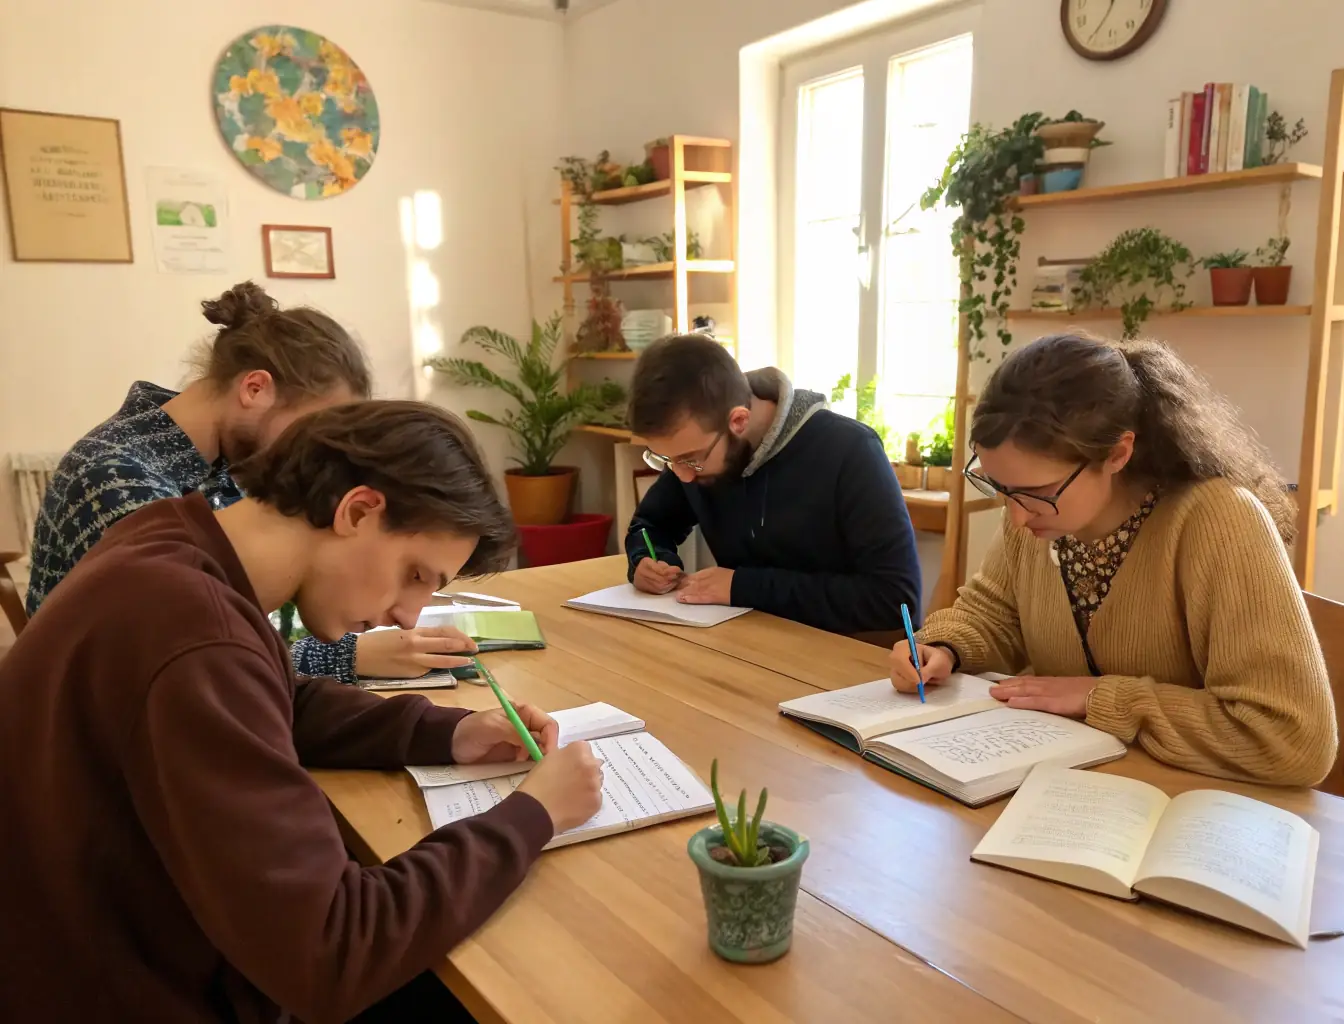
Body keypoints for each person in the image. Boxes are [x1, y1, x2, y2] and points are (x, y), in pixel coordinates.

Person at [0, 400, 606, 1023]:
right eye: (415, 574)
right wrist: (534, 816)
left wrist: (449, 731)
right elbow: (332, 952)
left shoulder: (174, 543)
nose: (410, 614)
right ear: (358, 510)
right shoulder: (195, 635)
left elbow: (275, 698)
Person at [890, 333, 1336, 787]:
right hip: (1069, 791)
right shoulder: (1037, 517)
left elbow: (1292, 739)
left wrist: (1103, 699)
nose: (1018, 517)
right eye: (1001, 489)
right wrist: (944, 648)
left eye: (1038, 494)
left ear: (1118, 453)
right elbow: (995, 615)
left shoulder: (1220, 522)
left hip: (1194, 811)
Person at [26, 280, 474, 683]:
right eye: (315, 430)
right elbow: (190, 650)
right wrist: (342, 654)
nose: (328, 458)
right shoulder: (120, 479)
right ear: (255, 389)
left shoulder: (219, 463)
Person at [623, 334, 921, 636]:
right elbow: (650, 524)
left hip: (850, 657)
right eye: (667, 460)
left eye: (690, 459)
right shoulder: (695, 454)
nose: (683, 476)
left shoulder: (850, 450)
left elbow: (895, 600)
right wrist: (647, 559)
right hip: (748, 645)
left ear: (738, 421)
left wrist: (743, 587)